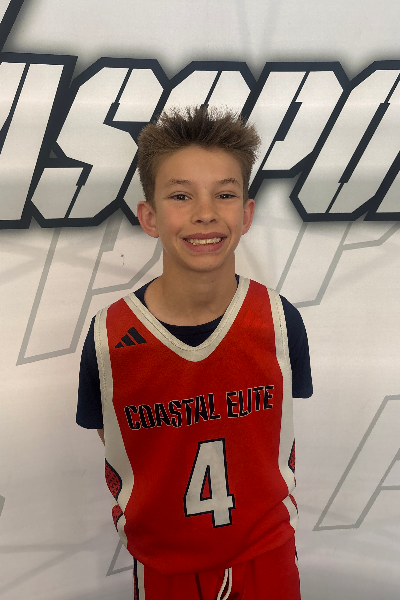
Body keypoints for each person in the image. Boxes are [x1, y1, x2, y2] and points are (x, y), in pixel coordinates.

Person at [77, 106, 313, 600]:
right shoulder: (109, 337)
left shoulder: (278, 319)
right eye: (181, 195)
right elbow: (117, 442)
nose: (205, 213)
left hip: (266, 554)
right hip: (166, 567)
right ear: (149, 216)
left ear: (246, 213)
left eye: (224, 194)